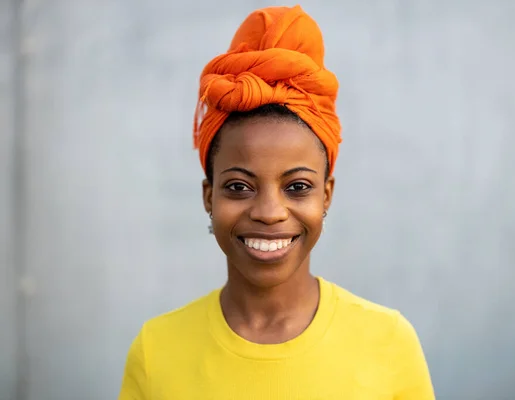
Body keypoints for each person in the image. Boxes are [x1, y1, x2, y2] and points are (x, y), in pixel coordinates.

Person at [118, 5, 435, 399]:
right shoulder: (156, 350)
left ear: (327, 196)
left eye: (298, 186)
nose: (269, 212)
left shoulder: (388, 341)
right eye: (238, 187)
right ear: (208, 196)